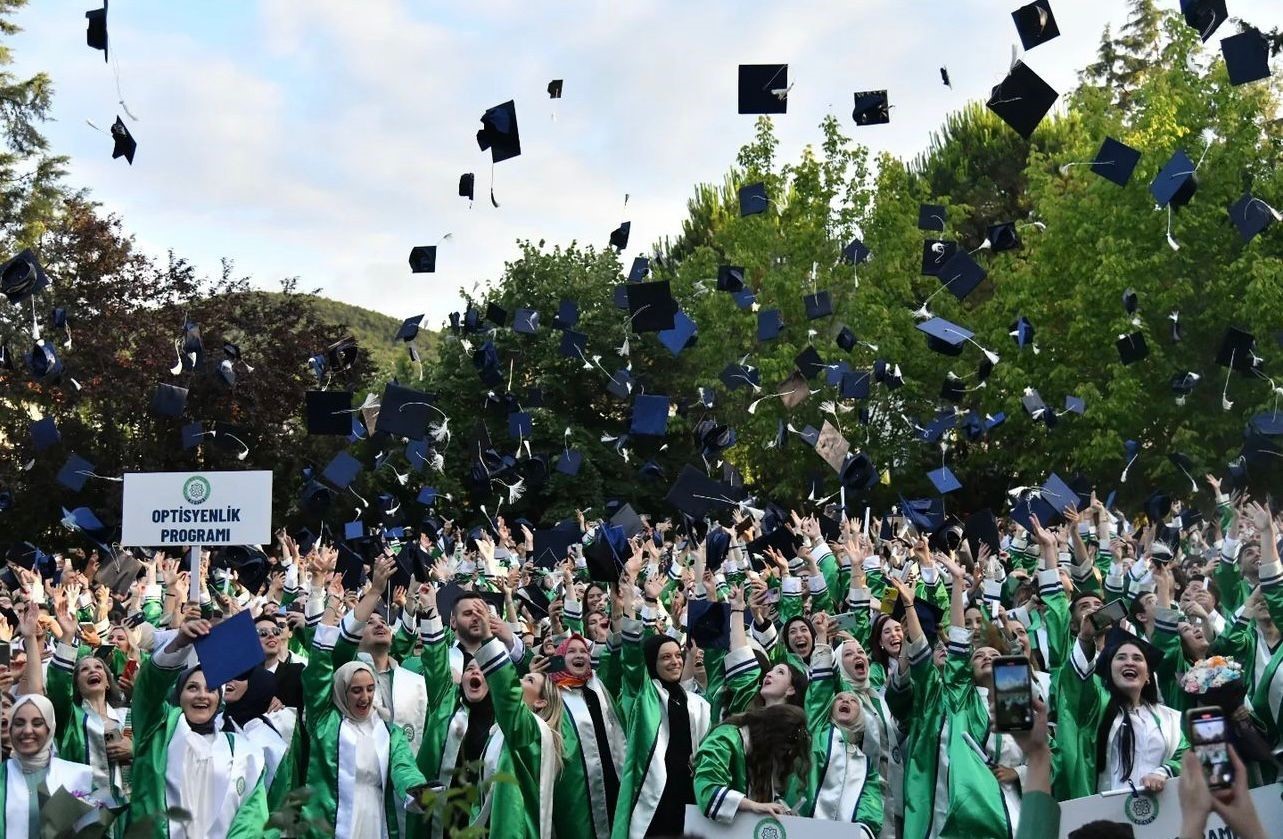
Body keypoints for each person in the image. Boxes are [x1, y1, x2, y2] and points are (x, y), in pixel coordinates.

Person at [297, 557, 429, 839]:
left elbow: (403, 765)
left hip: (377, 819)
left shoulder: (386, 729)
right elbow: (320, 661)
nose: (365, 696)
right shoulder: (325, 719)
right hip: (332, 821)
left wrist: (418, 788)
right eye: (356, 690)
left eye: (370, 689)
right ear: (342, 691)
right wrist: (362, 595)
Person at [127, 616, 269, 838]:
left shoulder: (243, 752)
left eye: (210, 689)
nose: (202, 695)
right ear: (179, 696)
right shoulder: (157, 730)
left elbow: (251, 819)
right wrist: (179, 643)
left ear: (219, 699)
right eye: (192, 687)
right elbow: (148, 690)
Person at [613, 577, 712, 839]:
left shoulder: (695, 702)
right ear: (652, 662)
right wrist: (633, 607)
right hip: (655, 794)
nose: (675, 662)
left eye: (677, 656)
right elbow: (631, 659)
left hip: (689, 793)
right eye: (665, 657)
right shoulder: (643, 694)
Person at [472, 608, 564, 839]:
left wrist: (488, 639)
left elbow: (507, 692)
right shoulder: (501, 732)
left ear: (542, 701)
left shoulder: (533, 732)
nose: (520, 681)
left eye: (528, 679)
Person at [46, 591, 132, 798]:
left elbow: (155, 753)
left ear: (108, 683)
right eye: (84, 670)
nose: (93, 671)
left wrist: (134, 749)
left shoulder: (127, 717)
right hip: (81, 812)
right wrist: (67, 635)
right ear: (76, 685)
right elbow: (58, 687)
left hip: (125, 815)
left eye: (98, 667)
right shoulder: (69, 718)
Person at [548, 632, 625, 839]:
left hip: (612, 778)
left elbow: (615, 661)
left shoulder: (598, 686)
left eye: (583, 650)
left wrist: (621, 612)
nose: (579, 655)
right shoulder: (553, 694)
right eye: (571, 651)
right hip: (576, 789)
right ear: (560, 658)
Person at [2, 694, 103, 839]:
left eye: (37, 723)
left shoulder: (79, 775)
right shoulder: (2, 777)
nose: (27, 731)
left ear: (50, 729)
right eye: (19, 723)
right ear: (10, 729)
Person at [692, 704, 811, 823]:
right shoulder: (726, 739)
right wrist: (753, 805)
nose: (782, 754)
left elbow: (763, 794)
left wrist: (782, 810)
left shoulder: (763, 752)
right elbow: (707, 790)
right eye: (782, 748)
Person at [217, 666, 295, 807]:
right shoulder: (211, 721)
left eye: (240, 677)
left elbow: (277, 802)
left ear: (257, 685)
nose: (230, 680)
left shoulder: (272, 744)